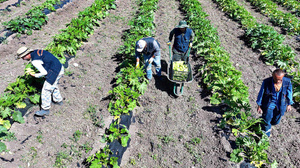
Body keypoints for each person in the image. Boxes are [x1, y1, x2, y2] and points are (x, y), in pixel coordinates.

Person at [17, 47, 64, 117]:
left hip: (54, 71)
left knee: (46, 90)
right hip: (59, 67)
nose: (23, 59)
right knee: (52, 84)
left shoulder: (35, 61)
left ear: (26, 55)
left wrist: (35, 75)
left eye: (23, 57)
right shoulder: (36, 51)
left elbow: (44, 72)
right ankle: (58, 100)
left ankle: (45, 109)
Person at [256, 69, 294, 137]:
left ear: (283, 77)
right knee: (267, 121)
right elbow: (261, 94)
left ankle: (262, 121)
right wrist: (259, 106)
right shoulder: (266, 82)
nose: (278, 81)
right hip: (269, 103)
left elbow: (289, 93)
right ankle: (266, 135)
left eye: (280, 79)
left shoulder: (287, 82)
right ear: (272, 75)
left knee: (276, 121)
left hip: (281, 104)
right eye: (276, 79)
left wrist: (289, 104)